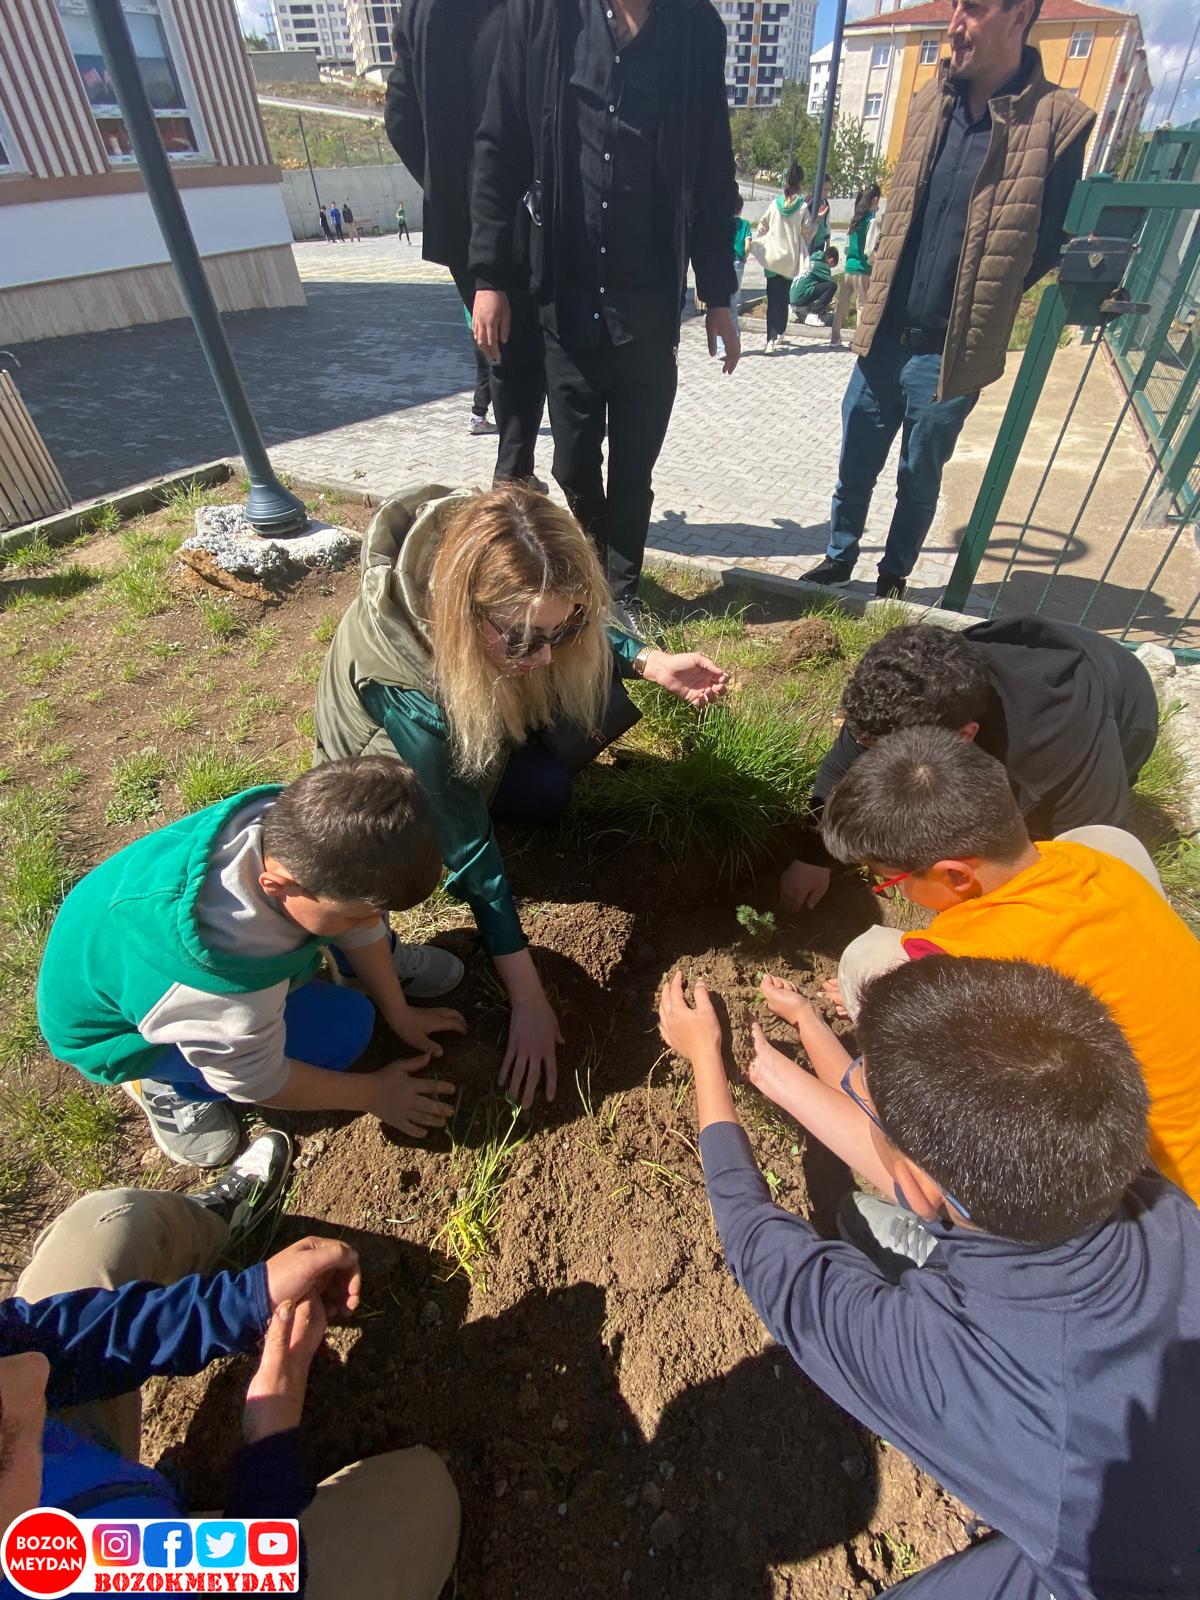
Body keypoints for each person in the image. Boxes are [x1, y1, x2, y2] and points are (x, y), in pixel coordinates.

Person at [658, 955, 1200, 1599]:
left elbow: (754, 1236)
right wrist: (806, 1024)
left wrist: (703, 1060)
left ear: (915, 1184)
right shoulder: (1159, 1199)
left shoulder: (944, 1364)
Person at [314, 482, 728, 1109]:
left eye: (562, 631)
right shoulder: (413, 700)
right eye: (524, 639)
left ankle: (507, 768)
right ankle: (375, 954)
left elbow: (551, 622)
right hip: (392, 785)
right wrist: (528, 995)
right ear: (460, 612)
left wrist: (647, 659)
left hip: (473, 726)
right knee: (425, 847)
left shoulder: (501, 568)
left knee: (546, 790)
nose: (544, 657)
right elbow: (470, 850)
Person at [0, 1144, 460, 1600]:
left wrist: (247, 1298)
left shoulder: (24, 1371)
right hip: (137, 1566)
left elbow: (43, 1339)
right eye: (10, 1433)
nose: (36, 1369)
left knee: (109, 1224)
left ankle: (219, 1220)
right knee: (423, 1497)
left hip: (99, 1524)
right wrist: (269, 1439)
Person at [815, 724, 1200, 1202]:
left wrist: (881, 1010)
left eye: (888, 882)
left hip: (1158, 1203)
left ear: (955, 875)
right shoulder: (1094, 860)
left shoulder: (961, 961)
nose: (895, 893)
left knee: (870, 956)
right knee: (1107, 837)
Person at [37, 759, 465, 1169]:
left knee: (353, 910)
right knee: (345, 1031)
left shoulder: (295, 831)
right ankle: (166, 1085)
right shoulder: (218, 984)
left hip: (127, 937)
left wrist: (399, 1011)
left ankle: (347, 960)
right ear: (276, 886)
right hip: (124, 1030)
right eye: (357, 918)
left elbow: (352, 914)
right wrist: (374, 1092)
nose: (372, 924)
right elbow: (257, 1080)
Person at [803, 0, 1093, 600]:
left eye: (974, 10)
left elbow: (1046, 243)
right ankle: (837, 560)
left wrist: (991, 296)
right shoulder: (930, 102)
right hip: (883, 336)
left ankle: (893, 580)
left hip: (949, 352)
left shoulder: (1058, 123)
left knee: (918, 477)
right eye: (955, 6)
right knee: (855, 464)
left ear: (1018, 17)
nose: (956, 23)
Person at [470, 0, 742, 609]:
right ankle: (595, 568)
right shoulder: (542, 17)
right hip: (565, 300)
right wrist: (488, 275)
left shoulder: (695, 30)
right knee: (570, 462)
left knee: (634, 466)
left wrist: (718, 293)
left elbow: (712, 167)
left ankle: (621, 596)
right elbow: (497, 146)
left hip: (647, 306)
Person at [778, 616, 1159, 914]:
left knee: (1030, 849)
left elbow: (1089, 865)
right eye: (865, 743)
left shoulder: (1057, 751)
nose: (866, 753)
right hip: (1035, 672)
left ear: (964, 736)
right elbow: (841, 767)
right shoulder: (899, 702)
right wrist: (814, 855)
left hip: (1122, 707)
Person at [386, 0, 548, 488]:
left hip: (459, 224)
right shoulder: (524, 11)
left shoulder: (417, 11)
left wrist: (447, 192)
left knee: (501, 353)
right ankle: (514, 487)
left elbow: (399, 118)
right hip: (524, 213)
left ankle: (515, 481)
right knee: (532, 354)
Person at [753, 162, 827, 355]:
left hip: (772, 258)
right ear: (800, 183)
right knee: (783, 297)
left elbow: (762, 225)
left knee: (772, 298)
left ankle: (769, 340)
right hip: (789, 260)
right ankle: (780, 332)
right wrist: (818, 220)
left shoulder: (774, 204)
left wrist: (763, 241)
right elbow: (808, 234)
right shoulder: (802, 207)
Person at [830, 182, 879, 348]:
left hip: (848, 268)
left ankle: (835, 337)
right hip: (862, 269)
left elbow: (845, 246)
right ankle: (859, 339)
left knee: (842, 304)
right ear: (875, 200)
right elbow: (869, 249)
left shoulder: (855, 218)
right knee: (861, 306)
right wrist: (875, 263)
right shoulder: (871, 221)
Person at [788, 244, 839, 323]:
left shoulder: (810, 260)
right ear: (831, 260)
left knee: (816, 285)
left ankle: (800, 308)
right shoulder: (822, 266)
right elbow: (829, 285)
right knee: (832, 286)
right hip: (800, 295)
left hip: (793, 296)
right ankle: (814, 314)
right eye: (832, 266)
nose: (830, 269)